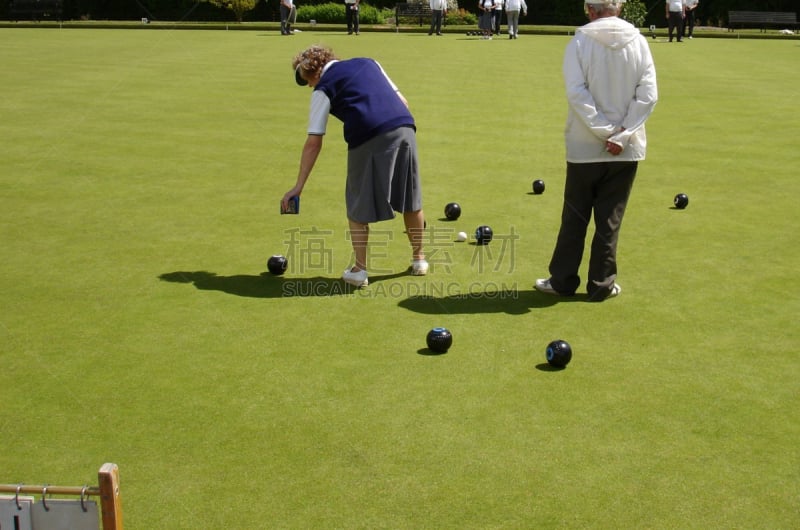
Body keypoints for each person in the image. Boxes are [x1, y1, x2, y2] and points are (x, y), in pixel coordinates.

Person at [535, 0, 658, 301]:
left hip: (584, 145)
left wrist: (605, 131)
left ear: (590, 10)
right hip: (626, 149)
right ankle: (602, 284)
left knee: (575, 216)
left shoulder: (579, 42)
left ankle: (563, 281)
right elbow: (649, 94)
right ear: (619, 7)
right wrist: (623, 133)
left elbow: (577, 93)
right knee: (610, 218)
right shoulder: (640, 42)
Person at [282, 46, 427, 288]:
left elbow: (313, 142)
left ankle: (359, 271)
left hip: (367, 135)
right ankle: (419, 260)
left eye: (305, 80)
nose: (307, 85)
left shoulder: (322, 89)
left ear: (314, 73)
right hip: (404, 127)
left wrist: (298, 187)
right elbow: (403, 101)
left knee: (356, 203)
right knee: (411, 198)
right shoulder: (370, 61)